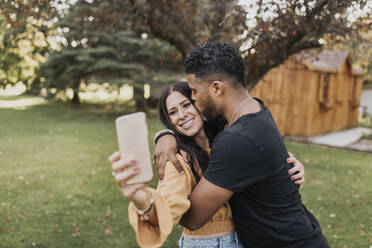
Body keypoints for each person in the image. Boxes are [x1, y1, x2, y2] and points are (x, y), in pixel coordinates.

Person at [154, 42, 330, 248]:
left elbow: (193, 219)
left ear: (217, 88)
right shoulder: (254, 109)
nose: (193, 99)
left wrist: (174, 202)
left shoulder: (236, 140)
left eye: (194, 91)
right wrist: (166, 135)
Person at [108, 81, 306, 248]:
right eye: (173, 112)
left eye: (186, 105)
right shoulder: (178, 160)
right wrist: (142, 200)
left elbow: (261, 172)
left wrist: (291, 164)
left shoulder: (228, 143)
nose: (182, 115)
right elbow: (167, 206)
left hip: (246, 238)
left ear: (199, 104)